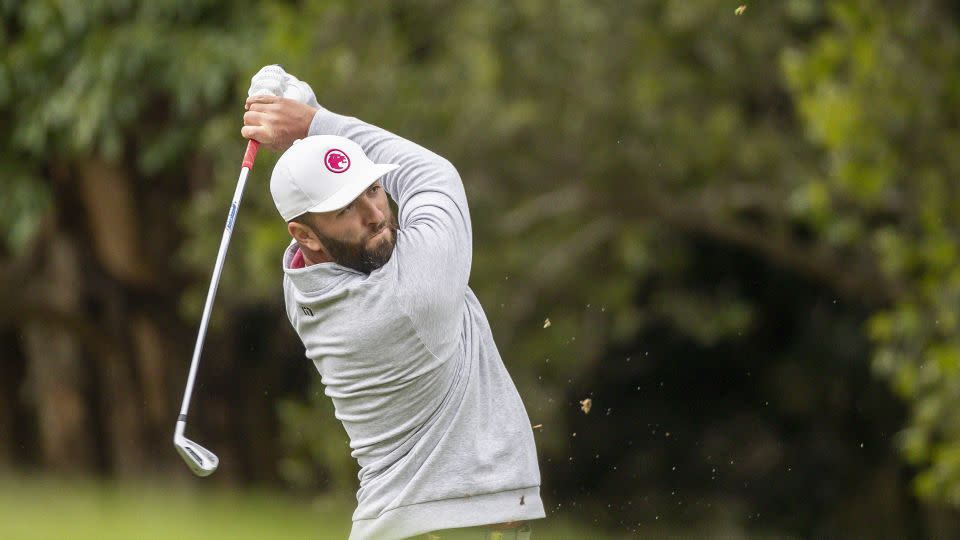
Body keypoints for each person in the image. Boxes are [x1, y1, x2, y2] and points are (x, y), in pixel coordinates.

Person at [242, 69, 545, 540]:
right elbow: (431, 175)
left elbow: (336, 210)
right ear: (303, 235)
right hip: (458, 522)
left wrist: (309, 140)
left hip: (408, 522)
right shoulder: (410, 296)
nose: (376, 215)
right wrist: (315, 122)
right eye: (346, 209)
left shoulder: (302, 283)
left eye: (373, 188)